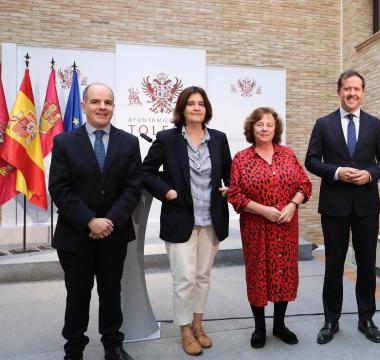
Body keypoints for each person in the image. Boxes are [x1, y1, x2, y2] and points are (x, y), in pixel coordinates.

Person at [49, 83, 142, 360]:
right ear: (84, 106)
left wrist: (109, 221)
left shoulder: (128, 142)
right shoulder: (64, 142)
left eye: (108, 102)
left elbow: (133, 188)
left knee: (111, 292)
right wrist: (90, 221)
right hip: (76, 235)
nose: (103, 107)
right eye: (96, 102)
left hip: (113, 234)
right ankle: (74, 347)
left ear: (114, 107)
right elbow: (60, 189)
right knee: (77, 294)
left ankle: (113, 344)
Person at [305, 70, 380, 344]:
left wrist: (370, 174)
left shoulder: (375, 124)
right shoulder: (323, 124)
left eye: (356, 89)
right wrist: (336, 172)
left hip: (367, 205)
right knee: (333, 265)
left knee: (367, 265)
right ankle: (331, 321)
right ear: (339, 91)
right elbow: (311, 160)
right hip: (334, 207)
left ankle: (366, 318)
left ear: (363, 93)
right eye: (347, 89)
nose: (352, 93)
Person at [141, 86, 231, 356]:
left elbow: (229, 172)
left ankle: (198, 326)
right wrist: (166, 191)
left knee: (202, 277)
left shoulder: (218, 138)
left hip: (211, 219)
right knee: (184, 280)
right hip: (180, 219)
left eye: (201, 103)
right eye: (190, 103)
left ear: (207, 109)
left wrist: (230, 187)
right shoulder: (167, 139)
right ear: (182, 109)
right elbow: (145, 172)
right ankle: (183, 330)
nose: (196, 108)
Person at [227, 107, 312, 349]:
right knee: (258, 275)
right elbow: (234, 195)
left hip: (285, 227)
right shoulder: (242, 158)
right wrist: (263, 210)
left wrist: (293, 205)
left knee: (283, 274)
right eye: (260, 124)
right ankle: (259, 328)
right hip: (255, 229)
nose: (265, 129)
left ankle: (279, 325)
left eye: (269, 125)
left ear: (276, 129)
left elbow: (305, 185)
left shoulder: (287, 154)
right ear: (251, 128)